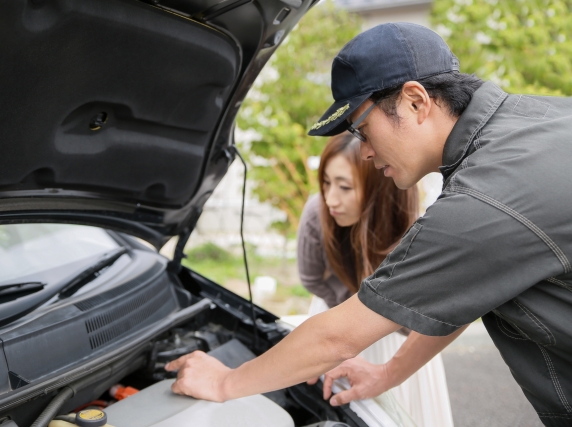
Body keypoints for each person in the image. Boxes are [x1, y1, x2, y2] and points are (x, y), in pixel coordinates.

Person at [165, 22, 572, 427]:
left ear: (416, 102)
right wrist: (387, 373)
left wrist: (224, 383)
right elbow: (472, 286)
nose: (364, 152)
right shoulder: (541, 119)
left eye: (363, 130)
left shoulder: (485, 198)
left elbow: (337, 338)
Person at [297, 132, 453, 426]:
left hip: (397, 336)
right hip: (337, 313)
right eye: (327, 183)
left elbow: (426, 320)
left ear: (379, 188)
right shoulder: (317, 213)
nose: (330, 198)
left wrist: (377, 325)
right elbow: (311, 277)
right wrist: (351, 310)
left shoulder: (418, 233)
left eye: (344, 186)